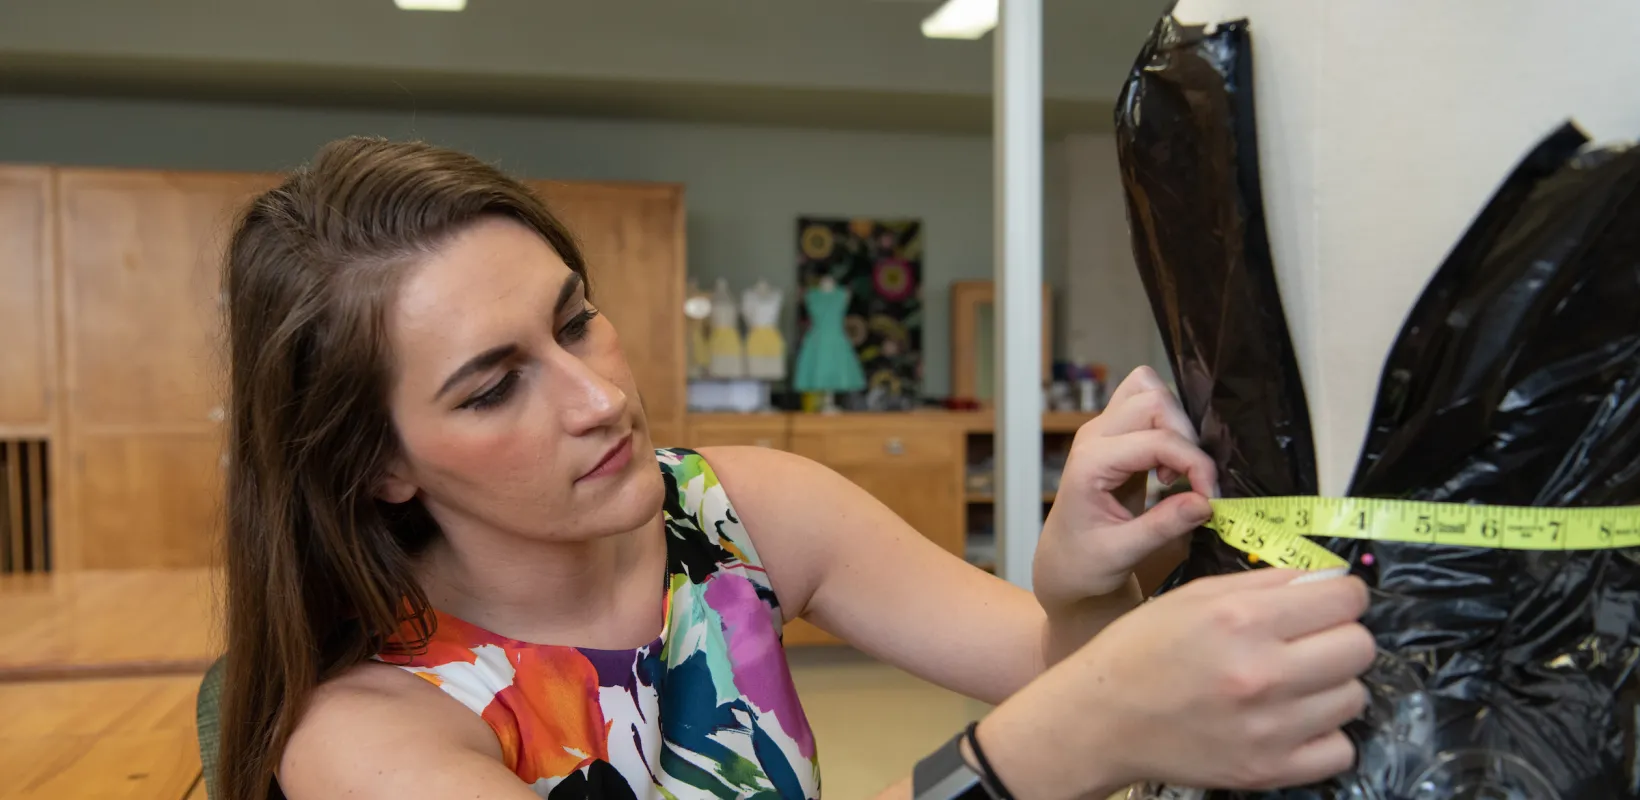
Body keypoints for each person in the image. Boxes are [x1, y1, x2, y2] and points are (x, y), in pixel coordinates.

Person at [217, 137, 1375, 800]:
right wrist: (1035, 752)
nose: (598, 395)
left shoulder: (736, 511)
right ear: (378, 466)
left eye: (575, 322)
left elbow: (1048, 667)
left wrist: (1075, 578)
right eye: (492, 384)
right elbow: (1075, 715)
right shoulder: (367, 737)